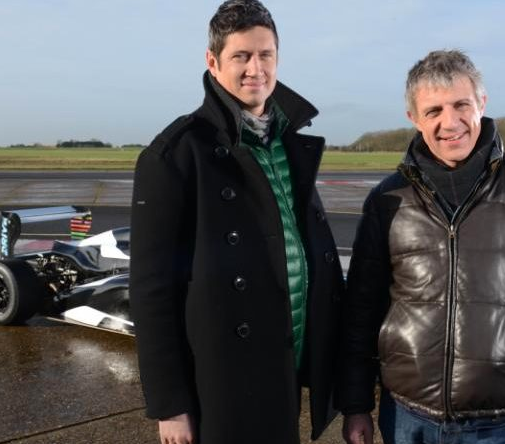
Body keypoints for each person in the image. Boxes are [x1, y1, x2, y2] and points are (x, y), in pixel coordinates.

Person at [335, 50, 505, 444]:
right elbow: (361, 307)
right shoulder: (387, 198)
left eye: (461, 104)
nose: (450, 122)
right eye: (433, 111)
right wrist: (356, 404)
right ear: (413, 118)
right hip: (406, 421)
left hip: (500, 425)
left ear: (481, 102)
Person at [129, 1, 344, 443]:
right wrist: (170, 405)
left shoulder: (288, 142)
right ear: (213, 61)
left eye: (265, 55)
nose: (255, 69)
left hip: (287, 361)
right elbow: (151, 291)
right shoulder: (176, 154)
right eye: (241, 56)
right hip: (223, 375)